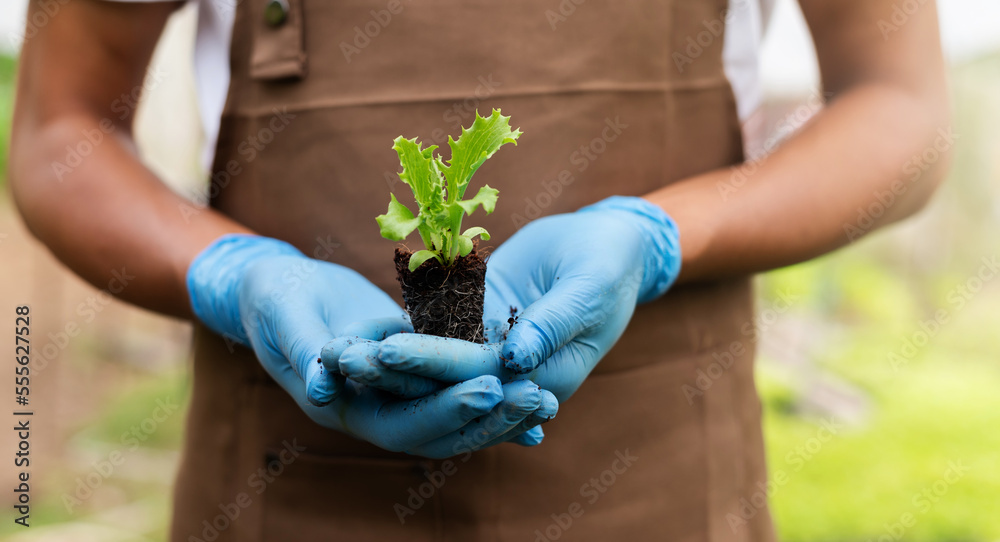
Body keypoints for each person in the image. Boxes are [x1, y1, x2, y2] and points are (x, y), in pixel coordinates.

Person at [9, 0, 949, 539]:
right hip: (283, 489)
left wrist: (662, 233)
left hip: (662, 486)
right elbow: (62, 127)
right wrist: (233, 273)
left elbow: (900, 108)